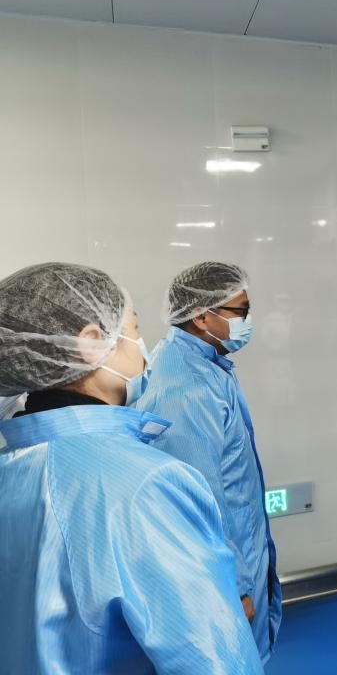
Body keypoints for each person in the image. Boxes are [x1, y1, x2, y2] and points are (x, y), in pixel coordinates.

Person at [0, 262, 263, 674]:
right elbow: (210, 659)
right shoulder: (144, 485)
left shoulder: (12, 469)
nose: (142, 348)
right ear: (91, 342)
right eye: (134, 329)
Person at [137, 261, 281, 662]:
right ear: (202, 316)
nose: (247, 322)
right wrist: (233, 587)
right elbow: (196, 499)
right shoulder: (187, 388)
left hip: (241, 553)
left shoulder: (206, 365)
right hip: (226, 574)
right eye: (240, 311)